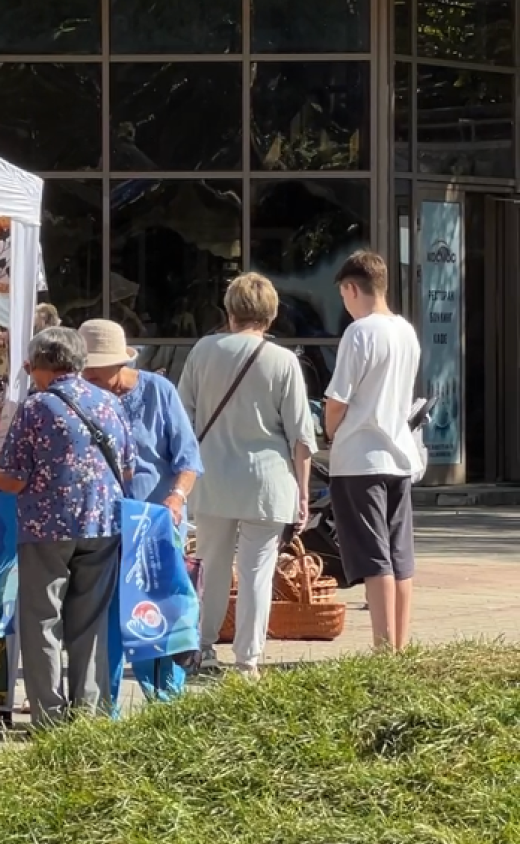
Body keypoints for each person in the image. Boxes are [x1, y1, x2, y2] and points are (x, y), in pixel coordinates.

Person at [0, 327, 136, 725]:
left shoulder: (36, 408)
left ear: (42, 366)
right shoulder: (109, 402)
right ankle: (88, 714)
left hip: (46, 528)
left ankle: (49, 718)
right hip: (103, 523)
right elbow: (127, 466)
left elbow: (15, 479)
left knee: (42, 621)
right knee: (90, 622)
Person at [177, 274, 317, 678]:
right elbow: (300, 438)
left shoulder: (203, 351)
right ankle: (248, 660)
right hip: (268, 480)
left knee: (211, 563)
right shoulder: (283, 361)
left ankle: (201, 648)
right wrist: (303, 493)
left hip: (212, 476)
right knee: (258, 571)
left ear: (229, 310)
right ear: (271, 315)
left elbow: (183, 418)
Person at [79, 318, 201, 701]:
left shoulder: (159, 391)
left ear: (121, 364)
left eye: (99, 376)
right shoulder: (83, 397)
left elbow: (188, 459)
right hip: (105, 526)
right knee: (108, 619)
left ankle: (166, 702)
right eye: (88, 376)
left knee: (157, 616)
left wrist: (177, 498)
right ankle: (105, 706)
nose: (93, 384)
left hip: (155, 525)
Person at [322, 250, 422, 652]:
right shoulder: (405, 331)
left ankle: (382, 647)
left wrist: (329, 433)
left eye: (344, 296)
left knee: (373, 553)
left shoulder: (359, 332)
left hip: (359, 455)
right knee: (400, 553)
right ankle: (398, 644)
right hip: (398, 453)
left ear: (351, 288)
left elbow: (338, 398)